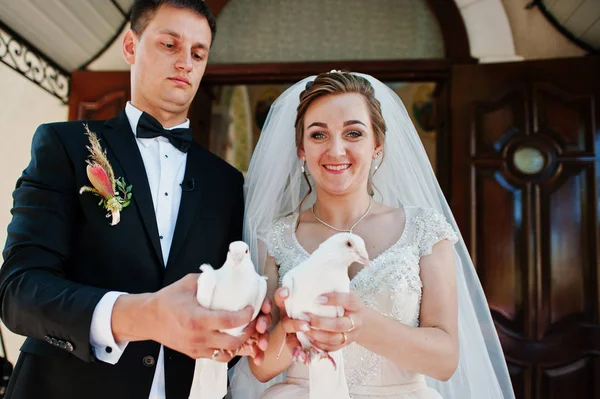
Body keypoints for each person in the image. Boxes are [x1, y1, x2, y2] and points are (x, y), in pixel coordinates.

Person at [0, 1, 270, 398]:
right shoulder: (65, 145)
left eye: (198, 53)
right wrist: (140, 316)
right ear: (130, 46)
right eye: (169, 45)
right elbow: (18, 291)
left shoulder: (228, 183)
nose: (185, 62)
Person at [230, 71, 515, 398]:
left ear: (377, 145)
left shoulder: (425, 231)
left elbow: (445, 361)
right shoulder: (276, 238)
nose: (336, 151)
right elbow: (262, 366)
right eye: (319, 135)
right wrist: (289, 331)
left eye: (353, 133)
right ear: (301, 150)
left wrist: (361, 324)